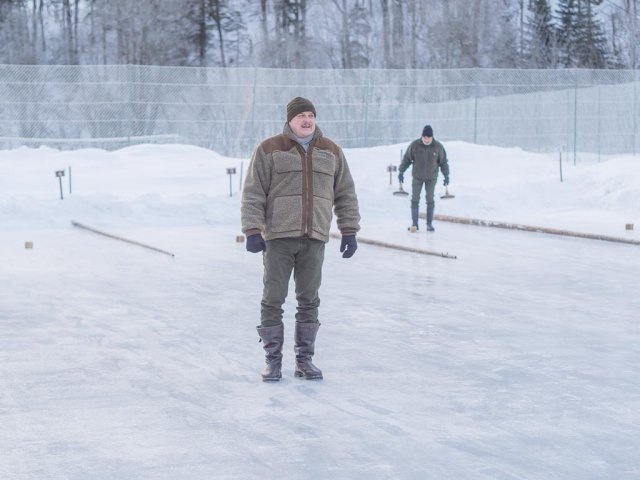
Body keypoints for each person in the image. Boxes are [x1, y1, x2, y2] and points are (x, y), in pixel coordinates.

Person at [241, 97, 361, 382]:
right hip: (279, 238)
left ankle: (305, 361)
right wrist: (252, 230)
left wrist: (349, 231)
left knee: (309, 300)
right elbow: (253, 192)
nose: (306, 121)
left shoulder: (331, 151)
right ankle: (273, 361)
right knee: (273, 299)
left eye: (311, 115)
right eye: (301, 116)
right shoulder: (270, 149)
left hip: (314, 237)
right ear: (290, 120)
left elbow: (345, 193)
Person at [398, 124, 450, 232]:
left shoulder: (438, 147)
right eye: (424, 137)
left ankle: (429, 224)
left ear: (432, 137)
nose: (426, 139)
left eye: (428, 137)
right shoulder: (415, 145)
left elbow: (443, 162)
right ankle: (415, 224)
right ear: (422, 136)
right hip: (417, 177)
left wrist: (446, 175)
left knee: (430, 199)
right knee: (415, 199)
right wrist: (401, 171)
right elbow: (407, 159)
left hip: (431, 178)